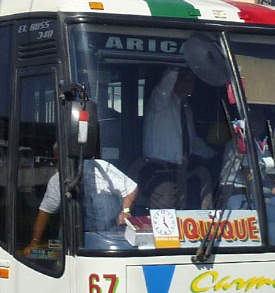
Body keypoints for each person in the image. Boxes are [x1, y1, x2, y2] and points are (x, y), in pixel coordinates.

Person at [24, 156, 137, 257]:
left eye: (59, 159)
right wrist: (34, 243)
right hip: (76, 243)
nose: (57, 165)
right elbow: (45, 212)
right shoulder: (56, 181)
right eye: (56, 161)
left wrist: (125, 211)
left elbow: (130, 188)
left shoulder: (100, 168)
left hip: (109, 239)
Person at [142, 66, 214, 209]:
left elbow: (192, 140)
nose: (186, 83)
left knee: (181, 217)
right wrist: (174, 69)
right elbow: (163, 89)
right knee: (166, 220)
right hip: (160, 171)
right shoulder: (160, 102)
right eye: (182, 78)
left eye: (190, 80)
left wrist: (214, 154)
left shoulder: (186, 108)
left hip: (181, 171)